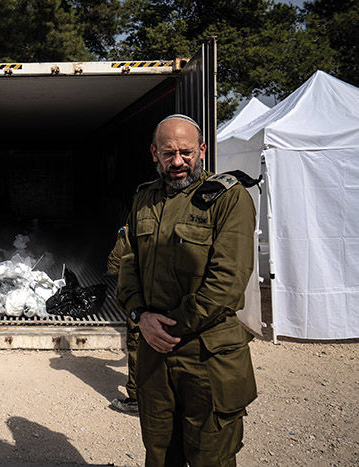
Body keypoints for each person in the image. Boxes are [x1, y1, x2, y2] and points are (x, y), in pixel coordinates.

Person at [116, 115, 257, 466]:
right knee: (160, 453)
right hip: (155, 353)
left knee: (211, 455)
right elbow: (128, 261)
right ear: (154, 154)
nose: (177, 162)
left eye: (186, 152)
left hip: (207, 355)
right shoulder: (144, 199)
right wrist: (140, 315)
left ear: (202, 151)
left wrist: (166, 326)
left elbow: (227, 282)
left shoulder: (229, 199)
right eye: (168, 153)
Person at [106, 226, 139, 414]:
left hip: (140, 298)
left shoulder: (129, 229)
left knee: (137, 346)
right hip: (172, 298)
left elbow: (114, 264)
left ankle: (135, 399)